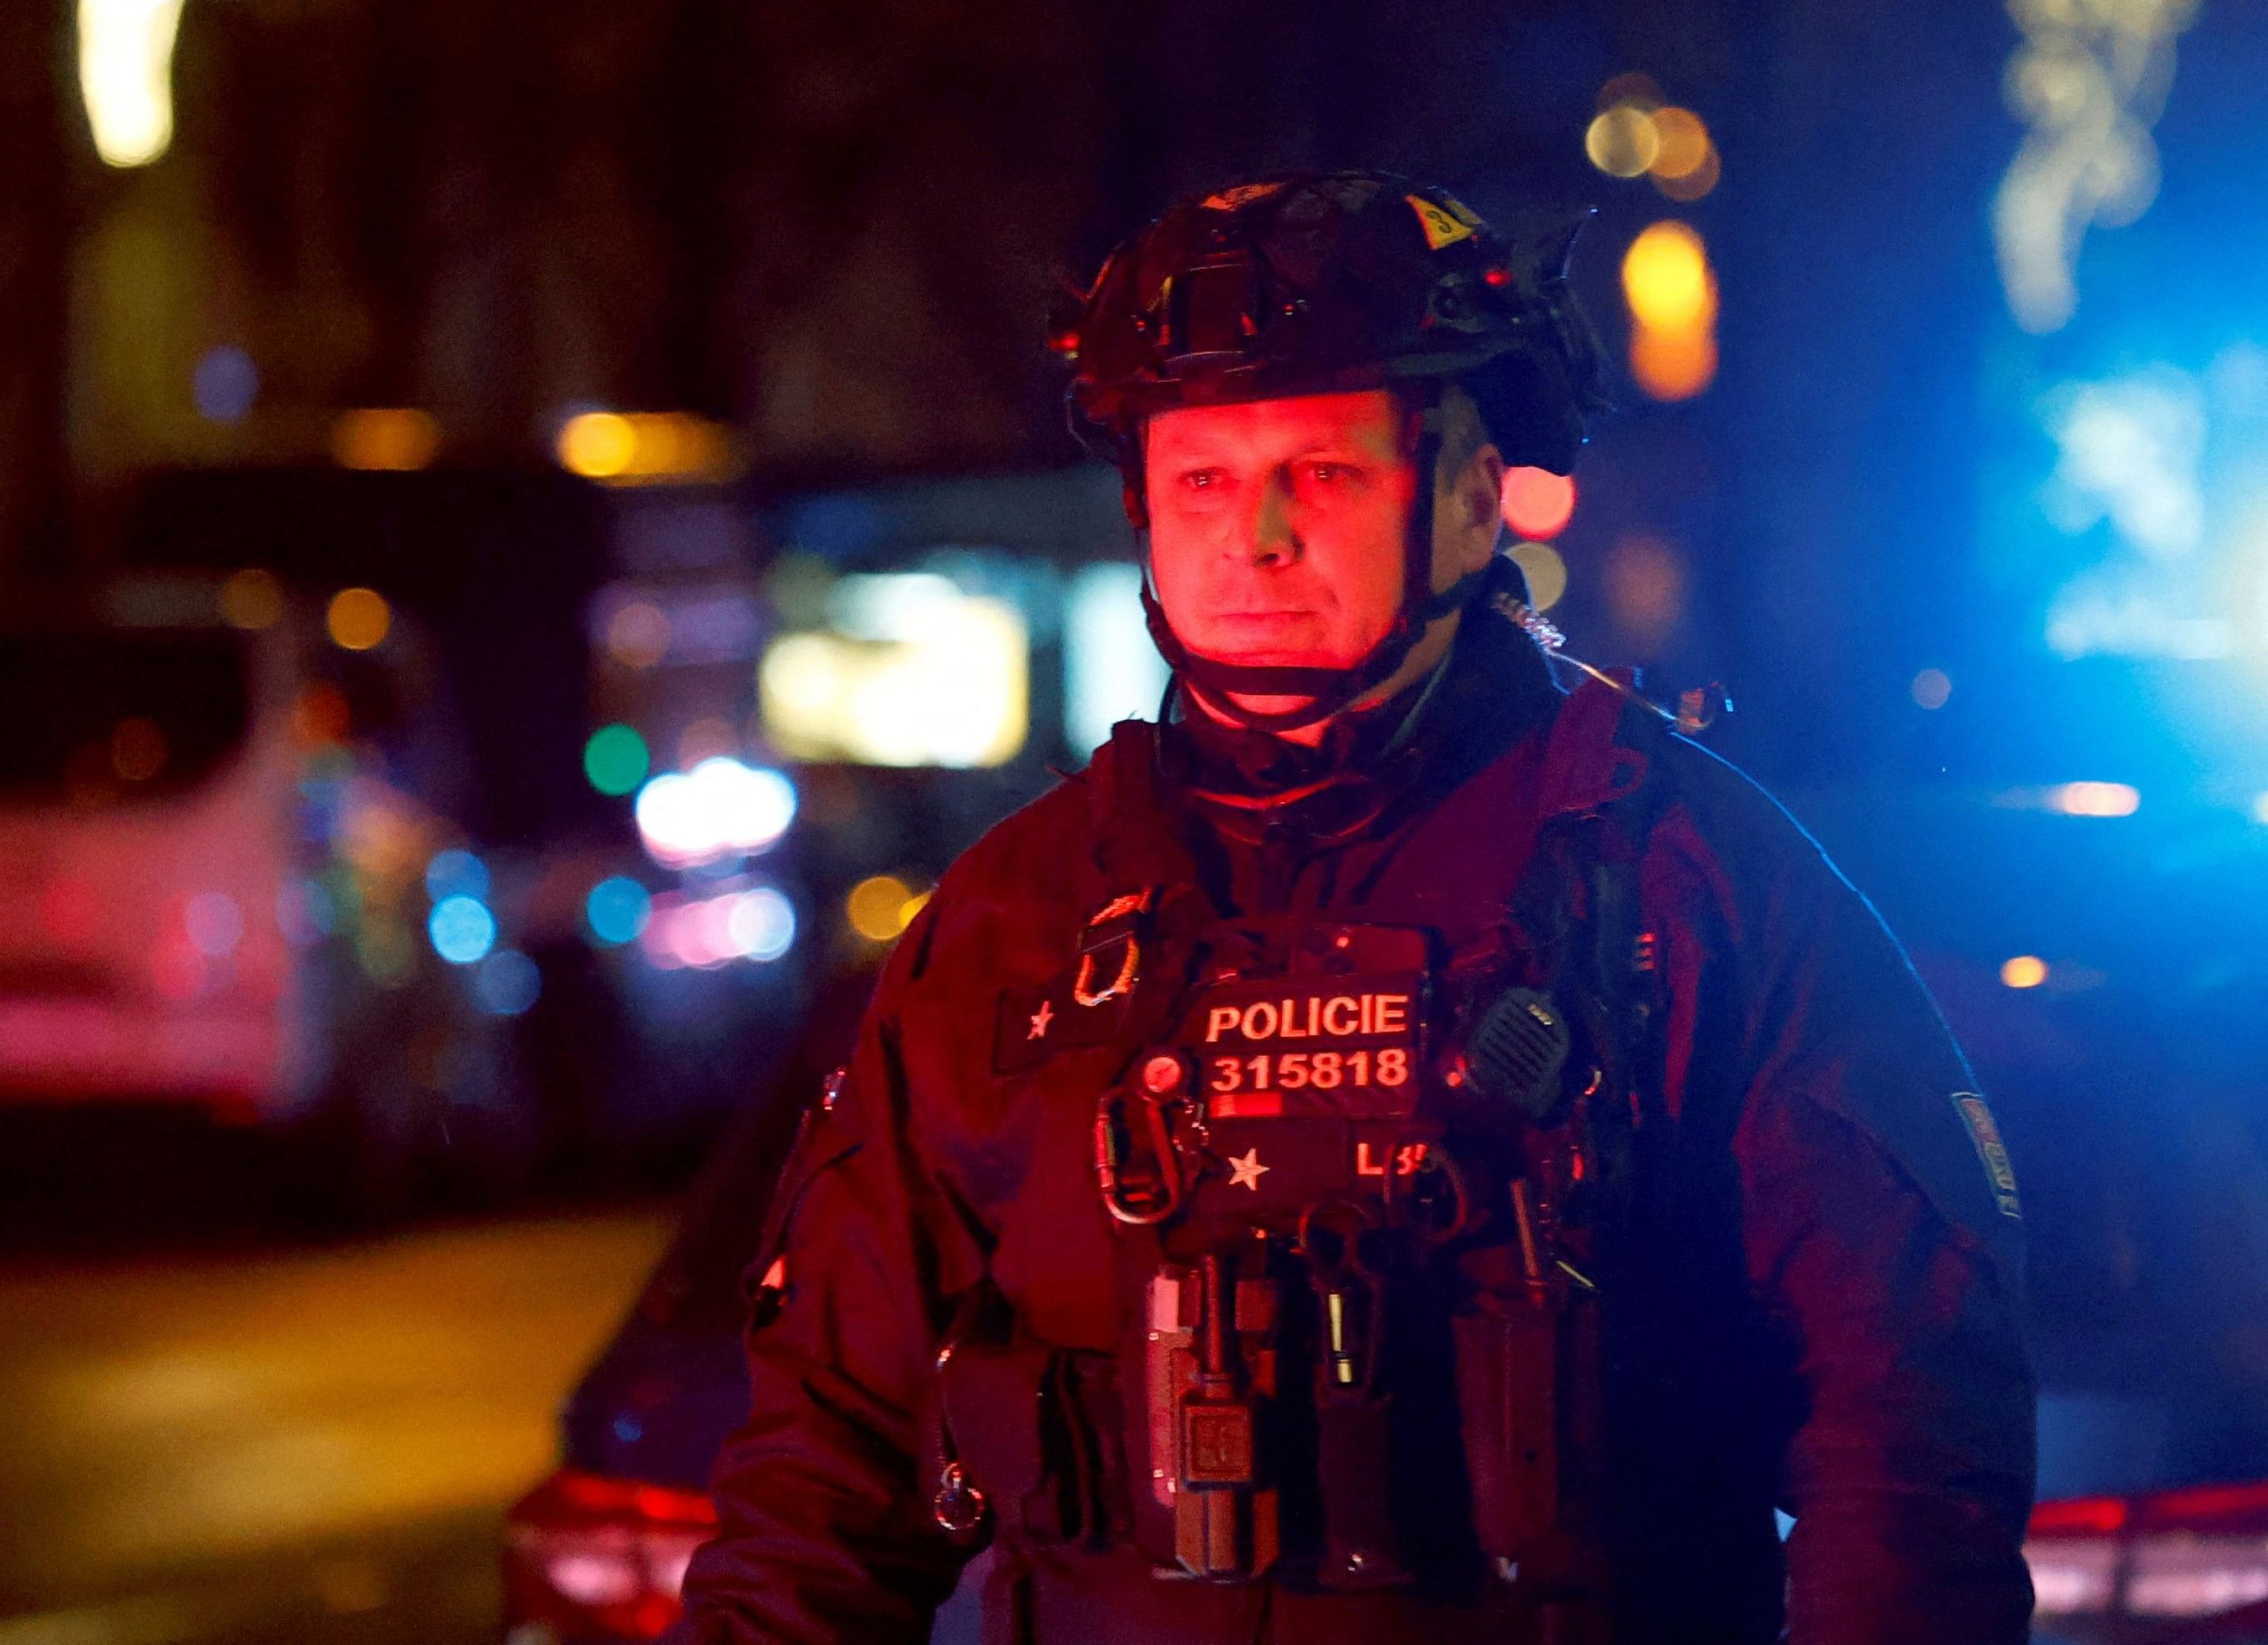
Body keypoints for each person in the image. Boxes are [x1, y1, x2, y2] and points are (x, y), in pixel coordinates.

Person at [674, 170, 2036, 1644]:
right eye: (1201, 478)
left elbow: (1910, 1439)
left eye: (1321, 473)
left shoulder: (1687, 884)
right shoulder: (1019, 921)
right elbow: (823, 1473)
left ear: (1467, 497)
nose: (1251, 537)